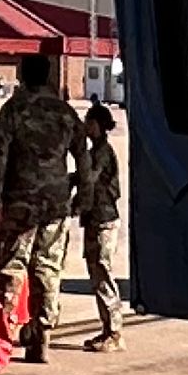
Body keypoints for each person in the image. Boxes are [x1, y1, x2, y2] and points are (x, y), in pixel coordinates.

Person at [0, 54, 88, 363]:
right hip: (56, 202)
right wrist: (84, 197)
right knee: (47, 268)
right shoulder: (65, 112)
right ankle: (41, 338)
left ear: (22, 75)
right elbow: (83, 156)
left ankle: (3, 335)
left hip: (22, 199)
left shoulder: (14, 109)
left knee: (12, 267)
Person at [74, 98, 127, 350]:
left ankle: (115, 332)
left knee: (103, 273)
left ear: (98, 125)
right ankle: (106, 329)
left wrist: (71, 190)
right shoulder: (95, 152)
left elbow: (90, 180)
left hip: (104, 220)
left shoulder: (101, 153)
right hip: (95, 218)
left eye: (89, 122)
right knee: (96, 276)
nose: (86, 126)